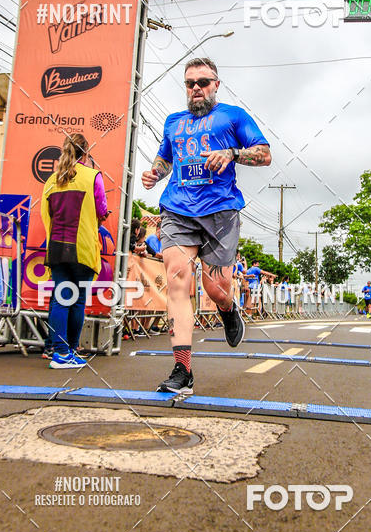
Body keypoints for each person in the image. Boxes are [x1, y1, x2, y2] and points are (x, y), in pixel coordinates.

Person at [141, 56, 271, 394]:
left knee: (216, 289)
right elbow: (165, 158)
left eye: (203, 82)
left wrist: (232, 154)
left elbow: (264, 154)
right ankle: (182, 370)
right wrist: (155, 173)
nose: (196, 88)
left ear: (216, 85)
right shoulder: (174, 122)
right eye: (190, 83)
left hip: (220, 211)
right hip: (178, 209)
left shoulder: (233, 116)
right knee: (177, 282)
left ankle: (228, 309)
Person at [41, 133, 109, 368]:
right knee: (78, 301)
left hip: (57, 247)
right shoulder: (93, 176)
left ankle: (59, 353)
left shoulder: (52, 181)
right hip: (83, 247)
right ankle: (68, 351)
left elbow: (46, 215)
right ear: (86, 153)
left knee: (61, 299)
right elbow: (102, 210)